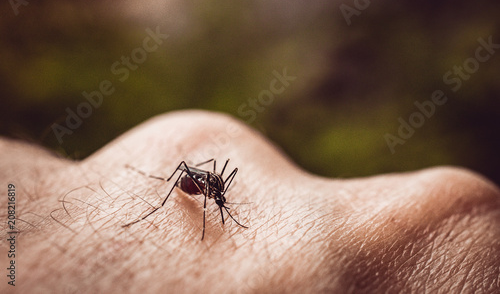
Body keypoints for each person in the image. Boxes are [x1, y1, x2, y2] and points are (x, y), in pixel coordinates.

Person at [1, 110, 499, 293]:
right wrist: (193, 203)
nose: (221, 204)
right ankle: (154, 205)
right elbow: (195, 174)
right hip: (183, 183)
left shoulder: (221, 185)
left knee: (216, 171)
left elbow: (225, 185)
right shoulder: (199, 184)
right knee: (196, 170)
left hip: (201, 178)